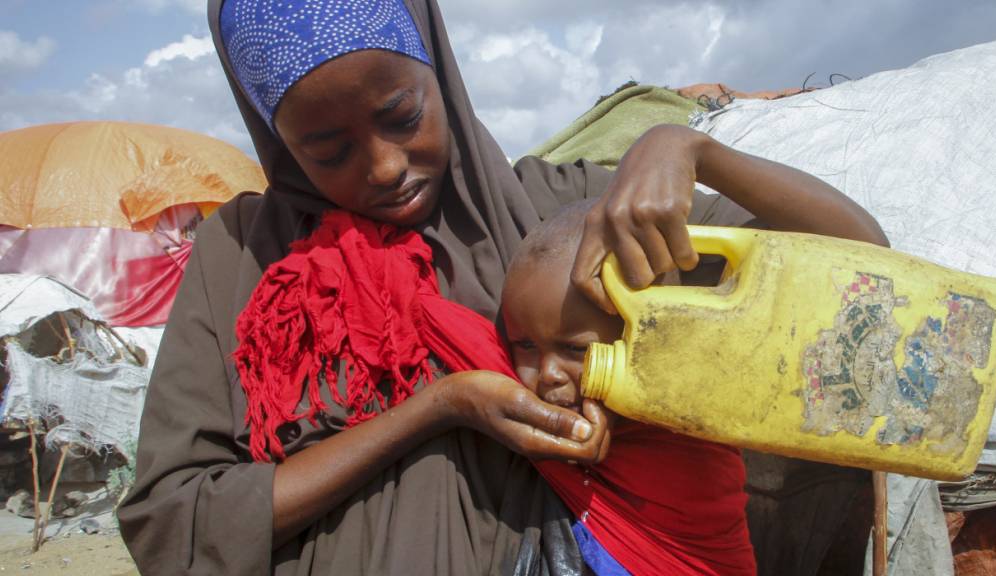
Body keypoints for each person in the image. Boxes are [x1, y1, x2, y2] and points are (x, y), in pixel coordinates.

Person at [117, 1, 888, 575]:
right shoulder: (244, 258)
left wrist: (689, 149)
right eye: (327, 148)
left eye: (401, 114)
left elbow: (859, 257)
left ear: (441, 77)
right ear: (277, 145)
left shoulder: (559, 214)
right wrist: (437, 408)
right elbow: (174, 523)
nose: (384, 166)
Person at [501, 199, 754, 575]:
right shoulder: (513, 417)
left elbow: (859, 240)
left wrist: (695, 151)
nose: (548, 373)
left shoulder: (693, 417)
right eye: (525, 346)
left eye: (576, 348)